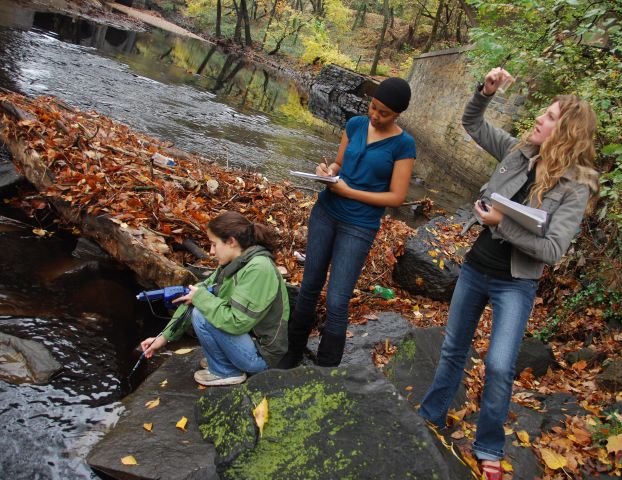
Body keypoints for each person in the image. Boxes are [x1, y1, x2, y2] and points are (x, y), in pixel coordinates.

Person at [418, 67, 599, 479]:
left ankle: (488, 447)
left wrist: (502, 223)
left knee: (499, 365)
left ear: (568, 133)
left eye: (550, 117)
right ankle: (431, 414)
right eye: (545, 112)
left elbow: (553, 250)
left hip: (515, 284)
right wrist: (485, 91)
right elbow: (473, 123)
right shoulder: (518, 152)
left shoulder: (575, 188)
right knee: (453, 349)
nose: (539, 118)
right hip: (476, 268)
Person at [277, 77, 417, 368]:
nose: (375, 116)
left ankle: (327, 368)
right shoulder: (354, 125)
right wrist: (327, 170)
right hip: (326, 212)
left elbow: (396, 197)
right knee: (309, 285)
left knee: (338, 300)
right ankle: (292, 353)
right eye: (373, 107)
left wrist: (349, 192)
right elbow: (339, 164)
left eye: (384, 113)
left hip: (359, 225)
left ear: (398, 115)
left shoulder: (404, 145)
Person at [139, 211, 289, 386]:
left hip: (261, 357)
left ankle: (227, 371)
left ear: (231, 242)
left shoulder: (259, 269)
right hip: (249, 343)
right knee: (200, 304)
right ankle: (224, 362)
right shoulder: (234, 263)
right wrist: (163, 338)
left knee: (201, 313)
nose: (210, 251)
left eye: (213, 244)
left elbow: (237, 322)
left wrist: (200, 298)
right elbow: (196, 293)